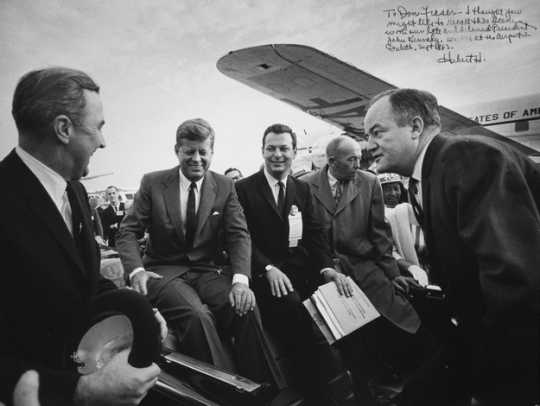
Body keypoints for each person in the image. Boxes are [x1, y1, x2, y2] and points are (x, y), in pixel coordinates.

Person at [364, 88, 540, 406]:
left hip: (513, 345)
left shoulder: (467, 159)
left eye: (377, 132)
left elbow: (513, 280)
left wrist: (492, 386)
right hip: (483, 333)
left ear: (415, 127)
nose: (369, 145)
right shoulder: (432, 173)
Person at [0, 67, 162, 405]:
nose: (104, 141)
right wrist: (77, 391)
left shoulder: (73, 190)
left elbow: (83, 282)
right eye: (99, 127)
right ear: (63, 128)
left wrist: (139, 316)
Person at [116, 118, 283, 388]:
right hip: (165, 272)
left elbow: (238, 234)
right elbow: (127, 232)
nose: (196, 159)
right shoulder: (153, 183)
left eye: (203, 152)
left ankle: (264, 389)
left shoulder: (225, 186)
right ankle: (227, 391)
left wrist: (241, 281)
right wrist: (135, 270)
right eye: (189, 152)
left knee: (245, 306)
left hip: (208, 271)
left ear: (211, 153)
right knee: (197, 316)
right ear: (177, 151)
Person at [302, 136, 437, 404]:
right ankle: (368, 390)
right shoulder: (305, 185)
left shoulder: (368, 181)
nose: (358, 163)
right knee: (349, 336)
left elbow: (380, 235)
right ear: (332, 162)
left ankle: (412, 382)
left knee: (403, 318)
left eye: (358, 158)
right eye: (351, 159)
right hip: (326, 269)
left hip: (364, 264)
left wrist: (394, 274)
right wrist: (323, 268)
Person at [236, 124, 359, 406]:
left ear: (294, 152)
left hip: (302, 273)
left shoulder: (302, 190)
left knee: (346, 315)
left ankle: (355, 389)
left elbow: (315, 236)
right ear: (263, 150)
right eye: (271, 148)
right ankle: (321, 396)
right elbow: (241, 238)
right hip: (266, 277)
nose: (277, 154)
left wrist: (327, 269)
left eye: (284, 148)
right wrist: (267, 268)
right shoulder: (243, 189)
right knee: (306, 330)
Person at [377, 173, 428, 286]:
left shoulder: (409, 209)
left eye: (396, 188)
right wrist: (412, 268)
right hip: (401, 272)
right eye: (386, 190)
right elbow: (389, 251)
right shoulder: (378, 216)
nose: (393, 193)